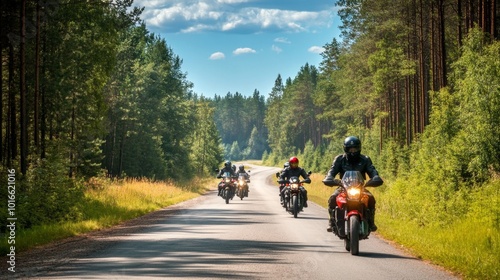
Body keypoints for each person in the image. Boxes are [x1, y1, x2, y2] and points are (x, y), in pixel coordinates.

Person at [322, 136, 383, 232]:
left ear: (359, 148)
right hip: (343, 187)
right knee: (333, 198)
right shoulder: (339, 159)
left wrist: (375, 178)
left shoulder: (365, 160)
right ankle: (332, 221)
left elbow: (372, 171)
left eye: (355, 148)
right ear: (345, 149)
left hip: (360, 188)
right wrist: (329, 178)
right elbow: (332, 171)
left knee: (371, 198)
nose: (352, 151)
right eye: (350, 149)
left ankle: (371, 222)